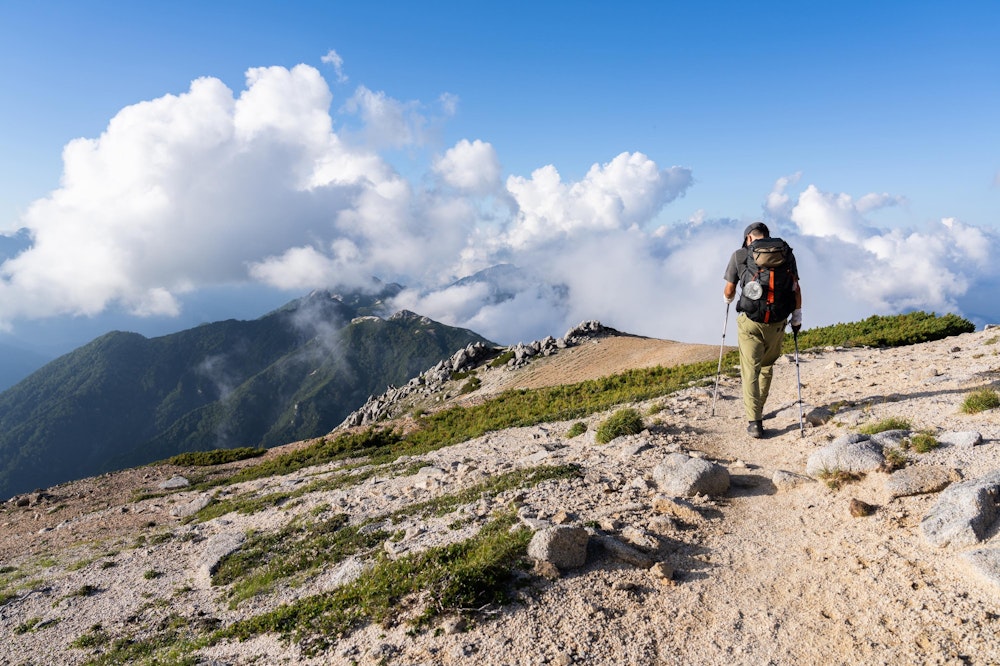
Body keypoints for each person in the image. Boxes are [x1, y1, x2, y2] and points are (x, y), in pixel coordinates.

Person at [723, 222, 802, 438]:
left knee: (750, 369)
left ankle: (755, 422)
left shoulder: (740, 255)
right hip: (778, 321)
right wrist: (797, 317)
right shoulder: (785, 253)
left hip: (750, 321)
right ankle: (760, 408)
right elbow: (796, 287)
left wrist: (727, 298)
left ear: (749, 238)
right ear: (767, 236)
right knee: (766, 366)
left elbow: (729, 289)